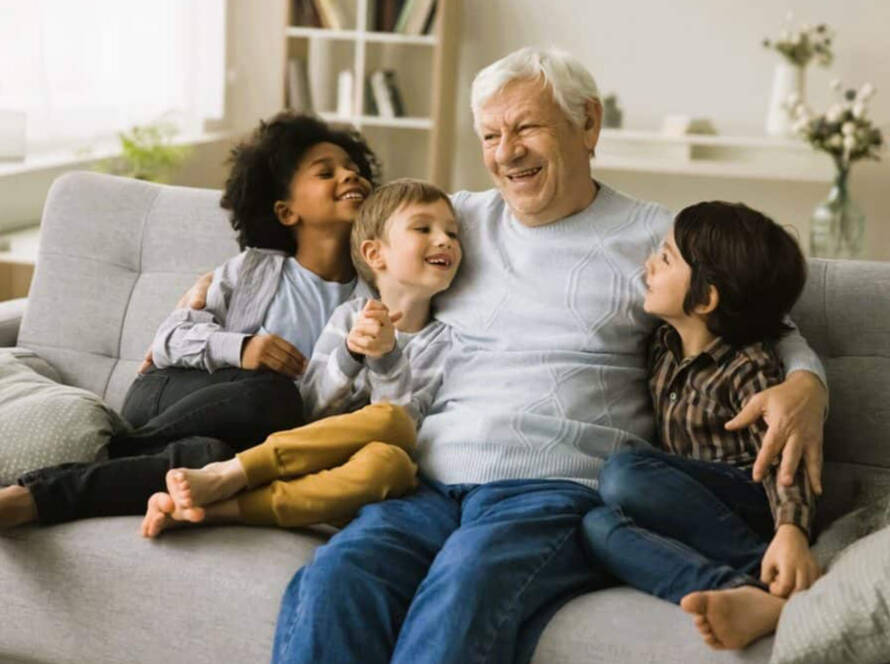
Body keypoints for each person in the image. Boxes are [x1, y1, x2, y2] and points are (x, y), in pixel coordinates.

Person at [177, 48, 829, 664]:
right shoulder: (454, 221)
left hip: (550, 494)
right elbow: (352, 250)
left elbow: (763, 318)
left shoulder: (658, 236)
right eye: (489, 136)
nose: (506, 153)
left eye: (525, 129)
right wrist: (214, 300)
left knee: (461, 599)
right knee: (336, 581)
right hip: (424, 484)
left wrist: (807, 385)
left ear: (587, 123)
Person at [0, 113, 379, 529]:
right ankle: (119, 449)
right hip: (171, 391)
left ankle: (28, 500)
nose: (349, 176)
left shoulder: (371, 300)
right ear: (286, 212)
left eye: (354, 169)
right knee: (277, 396)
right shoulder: (253, 271)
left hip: (246, 437)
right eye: (326, 172)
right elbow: (169, 340)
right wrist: (244, 348)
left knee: (210, 459)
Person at [139, 178, 462, 537]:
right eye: (423, 228)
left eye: (453, 233)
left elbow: (403, 430)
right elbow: (311, 407)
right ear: (375, 255)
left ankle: (219, 509)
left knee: (396, 463)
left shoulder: (444, 342)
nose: (445, 239)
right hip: (300, 456)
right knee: (387, 427)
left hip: (348, 480)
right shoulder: (347, 316)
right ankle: (232, 473)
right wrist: (351, 352)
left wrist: (386, 358)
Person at [580, 201, 820, 651]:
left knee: (624, 473)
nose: (647, 263)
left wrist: (792, 531)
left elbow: (784, 458)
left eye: (665, 258)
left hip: (749, 500)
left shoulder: (749, 368)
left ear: (706, 299)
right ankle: (738, 590)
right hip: (687, 509)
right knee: (595, 525)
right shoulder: (661, 344)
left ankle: (770, 571)